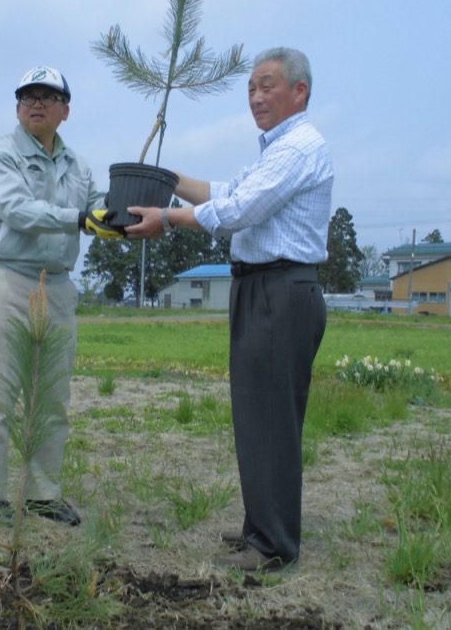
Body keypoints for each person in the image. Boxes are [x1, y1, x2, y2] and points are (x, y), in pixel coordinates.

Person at [126, 47, 333, 571]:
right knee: (257, 416)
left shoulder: (301, 147)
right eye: (251, 89)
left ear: (299, 92)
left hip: (281, 290)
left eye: (267, 86)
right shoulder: (274, 151)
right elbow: (227, 190)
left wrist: (167, 217)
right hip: (261, 289)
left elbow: (238, 210)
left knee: (271, 418)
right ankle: (260, 526)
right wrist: (165, 177)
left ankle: (273, 546)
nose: (256, 97)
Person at [0, 65, 122, 526]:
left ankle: (42, 494)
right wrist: (80, 219)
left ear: (65, 111)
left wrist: (131, 212)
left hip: (56, 286)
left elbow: (99, 208)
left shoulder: (78, 166)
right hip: (4, 280)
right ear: (17, 108)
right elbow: (17, 210)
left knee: (52, 398)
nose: (37, 103)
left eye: (48, 96)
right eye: (28, 96)